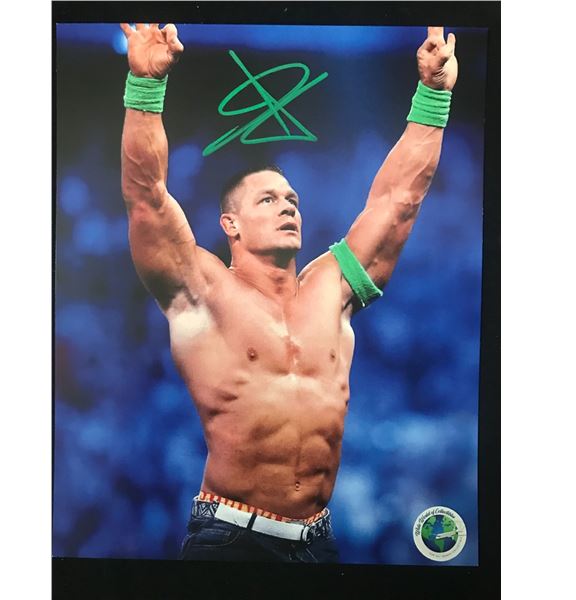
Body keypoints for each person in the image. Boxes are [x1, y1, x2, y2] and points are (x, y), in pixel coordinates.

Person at [119, 22, 458, 563]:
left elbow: (398, 201)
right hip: (230, 540)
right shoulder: (204, 290)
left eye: (292, 200)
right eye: (268, 200)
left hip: (317, 543)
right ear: (230, 224)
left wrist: (433, 95)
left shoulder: (332, 287)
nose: (287, 207)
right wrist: (144, 87)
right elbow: (146, 198)